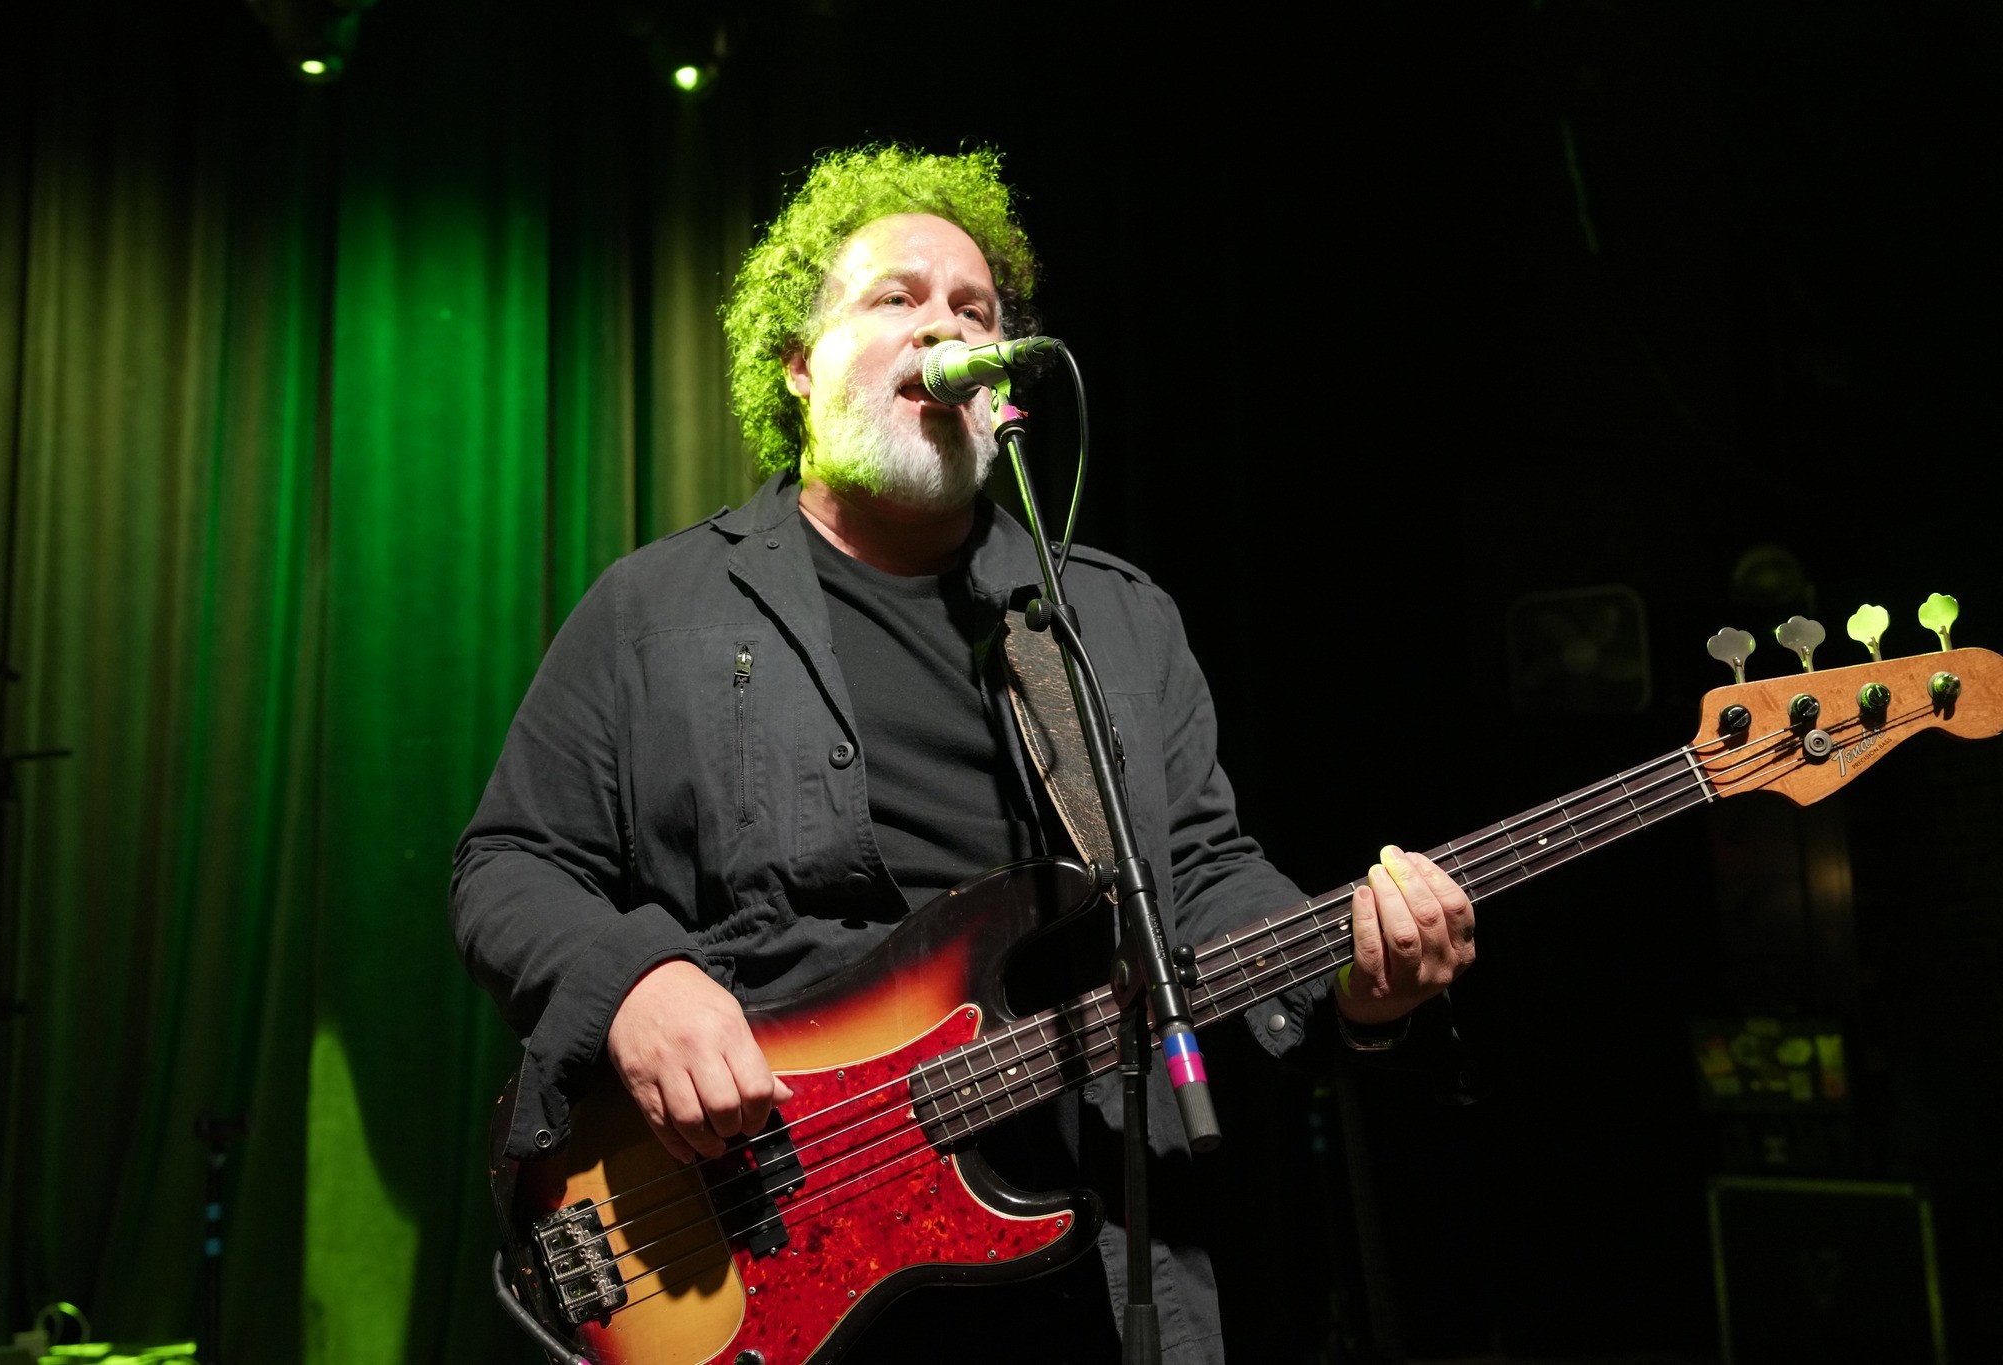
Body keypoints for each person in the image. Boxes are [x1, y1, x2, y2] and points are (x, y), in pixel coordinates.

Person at [451, 144, 1475, 1364]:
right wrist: (632, 985)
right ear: (796, 363)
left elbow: (1198, 878)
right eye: (897, 298)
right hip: (765, 1246)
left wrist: (1350, 979)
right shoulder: (655, 610)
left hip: (1091, 1266)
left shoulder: (1111, 621)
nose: (946, 328)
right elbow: (506, 866)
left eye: (975, 311)